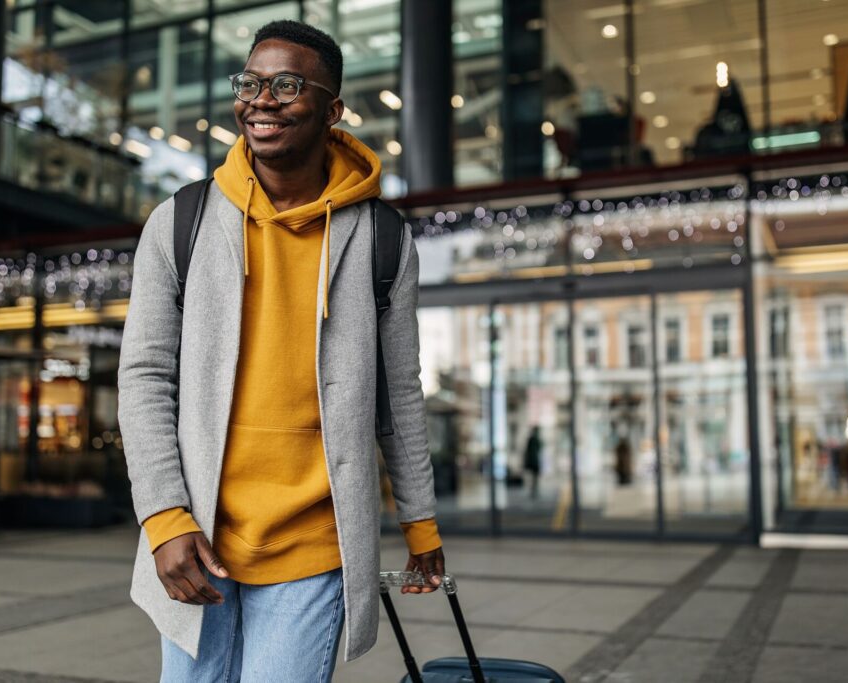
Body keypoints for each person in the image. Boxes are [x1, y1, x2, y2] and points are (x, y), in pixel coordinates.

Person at [118, 20, 444, 682]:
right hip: (197, 535)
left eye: (287, 84)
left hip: (315, 546)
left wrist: (422, 522)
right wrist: (162, 515)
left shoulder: (381, 238)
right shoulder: (179, 222)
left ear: (333, 110)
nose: (262, 100)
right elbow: (144, 377)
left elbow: (398, 392)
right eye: (252, 82)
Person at [523, 425, 542, 498]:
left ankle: (533, 489)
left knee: (534, 476)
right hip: (534, 461)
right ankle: (533, 489)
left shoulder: (532, 439)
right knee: (534, 476)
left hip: (533, 460)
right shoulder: (535, 440)